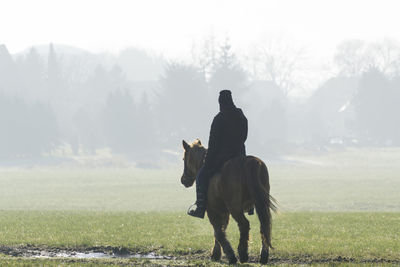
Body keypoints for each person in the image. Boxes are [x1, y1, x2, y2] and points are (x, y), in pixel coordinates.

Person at [187, 90, 248, 218]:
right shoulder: (241, 116)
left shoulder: (219, 119)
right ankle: (251, 206)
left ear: (220, 102)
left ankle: (200, 207)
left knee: (201, 177)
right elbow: (244, 136)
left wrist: (208, 161)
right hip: (240, 155)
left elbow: (213, 143)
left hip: (223, 157)